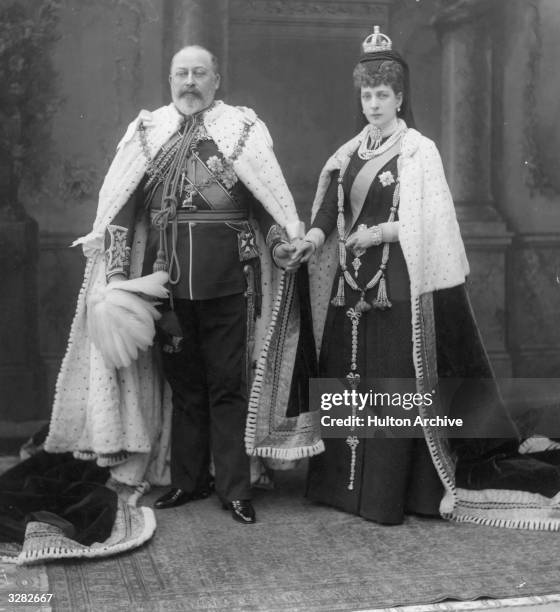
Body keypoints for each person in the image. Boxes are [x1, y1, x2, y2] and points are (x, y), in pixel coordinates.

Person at [291, 27, 560, 529]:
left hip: (396, 281)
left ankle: (390, 495)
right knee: (349, 381)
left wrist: (378, 234)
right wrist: (311, 239)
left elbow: (430, 222)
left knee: (393, 384)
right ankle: (340, 489)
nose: (374, 104)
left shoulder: (419, 151)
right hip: (351, 284)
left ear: (399, 97)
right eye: (367, 95)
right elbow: (329, 210)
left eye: (383, 95)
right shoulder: (348, 154)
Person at [44, 45, 323, 525]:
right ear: (170, 80)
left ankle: (236, 489)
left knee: (227, 386)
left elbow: (266, 207)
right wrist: (115, 277)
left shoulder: (242, 131)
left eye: (199, 73)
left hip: (231, 282)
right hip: (166, 284)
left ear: (216, 79)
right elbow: (122, 214)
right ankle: (188, 482)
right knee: (186, 387)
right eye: (181, 74)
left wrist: (281, 246)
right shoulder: (149, 133)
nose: (189, 82)